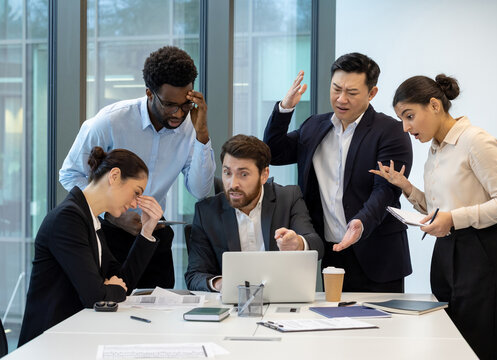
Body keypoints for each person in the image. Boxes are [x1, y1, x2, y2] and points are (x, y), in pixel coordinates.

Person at [370, 74, 497, 360]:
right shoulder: (435, 151)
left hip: (483, 256)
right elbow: (439, 211)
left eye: (410, 116)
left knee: (482, 349)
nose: (406, 127)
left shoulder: (476, 140)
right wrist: (407, 188)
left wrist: (452, 218)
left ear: (435, 105)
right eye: (402, 119)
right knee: (450, 348)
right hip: (446, 256)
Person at [59, 46, 216, 288]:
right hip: (108, 231)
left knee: (160, 312)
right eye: (170, 105)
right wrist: (112, 213)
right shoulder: (110, 121)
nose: (178, 114)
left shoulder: (190, 129)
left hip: (154, 233)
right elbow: (70, 175)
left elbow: (200, 190)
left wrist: (202, 135)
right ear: (150, 94)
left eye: (185, 105)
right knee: (108, 308)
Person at [263, 53, 413, 292]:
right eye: (336, 89)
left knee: (381, 327)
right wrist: (285, 109)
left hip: (377, 253)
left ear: (372, 93)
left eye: (352, 93)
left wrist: (360, 224)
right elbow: (274, 152)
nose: (341, 99)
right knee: (333, 323)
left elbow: (385, 189)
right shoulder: (314, 126)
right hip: (331, 253)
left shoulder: (391, 131)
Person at [19, 147, 163, 346]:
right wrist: (108, 289)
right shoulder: (69, 218)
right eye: (135, 193)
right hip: (48, 344)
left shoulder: (91, 219)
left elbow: (123, 282)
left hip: (73, 337)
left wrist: (147, 232)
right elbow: (95, 296)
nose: (134, 204)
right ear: (114, 176)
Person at [185, 135, 324, 292]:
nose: (233, 184)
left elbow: (317, 245)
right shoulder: (207, 212)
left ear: (264, 175)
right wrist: (222, 283)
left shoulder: (287, 197)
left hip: (282, 299)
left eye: (243, 174)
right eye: (227, 173)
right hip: (233, 305)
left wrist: (298, 243)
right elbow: (194, 276)